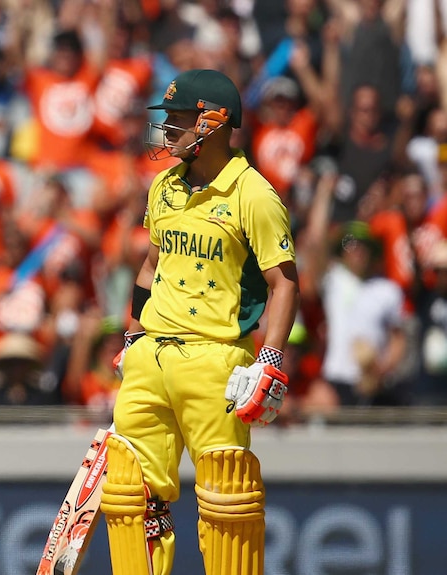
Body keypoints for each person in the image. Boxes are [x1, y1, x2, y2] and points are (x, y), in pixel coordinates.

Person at [99, 69, 299, 575]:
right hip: (151, 355)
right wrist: (132, 337)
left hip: (216, 360)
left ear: (212, 123)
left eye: (177, 121)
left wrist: (270, 360)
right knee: (129, 495)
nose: (166, 131)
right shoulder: (164, 186)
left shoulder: (253, 194)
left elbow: (285, 284)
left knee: (226, 496)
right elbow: (150, 266)